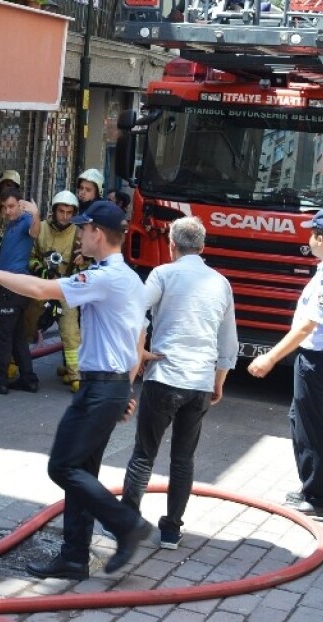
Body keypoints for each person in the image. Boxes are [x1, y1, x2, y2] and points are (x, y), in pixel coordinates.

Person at [0, 200, 147, 580]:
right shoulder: (130, 279)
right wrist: (125, 390)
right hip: (108, 386)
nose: (79, 234)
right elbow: (139, 338)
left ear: (97, 232)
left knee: (63, 467)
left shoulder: (104, 278)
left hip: (101, 388)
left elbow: (41, 288)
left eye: (83, 229)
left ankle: (124, 524)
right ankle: (73, 557)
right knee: (82, 471)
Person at [121, 216, 237, 550]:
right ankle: (171, 531)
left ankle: (127, 524)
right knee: (183, 459)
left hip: (165, 376)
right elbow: (228, 342)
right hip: (199, 382)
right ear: (202, 247)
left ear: (172, 245)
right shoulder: (220, 283)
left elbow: (134, 312)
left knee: (144, 454)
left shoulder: (163, 274)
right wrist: (219, 380)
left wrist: (140, 351)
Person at [248, 208, 323, 519]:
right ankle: (309, 487)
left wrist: (270, 357)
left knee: (310, 427)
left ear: (321, 238)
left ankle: (317, 497)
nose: (309, 239)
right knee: (302, 421)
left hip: (317, 358)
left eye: (312, 234)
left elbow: (307, 326)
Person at [0, 188, 41, 395]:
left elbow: (35, 232)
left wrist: (35, 213)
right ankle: (28, 378)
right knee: (16, 336)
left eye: (12, 206)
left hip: (15, 288)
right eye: (4, 207)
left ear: (21, 205)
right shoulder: (12, 225)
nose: (7, 211)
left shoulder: (25, 220)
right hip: (10, 285)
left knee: (4, 335)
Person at [30, 190, 83, 391]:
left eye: (70, 212)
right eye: (61, 211)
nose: (65, 216)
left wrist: (81, 263)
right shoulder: (40, 228)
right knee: (27, 324)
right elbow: (30, 256)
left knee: (71, 331)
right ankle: (14, 363)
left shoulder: (78, 233)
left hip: (65, 289)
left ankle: (75, 375)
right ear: (54, 210)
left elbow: (84, 265)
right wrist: (41, 270)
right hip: (41, 286)